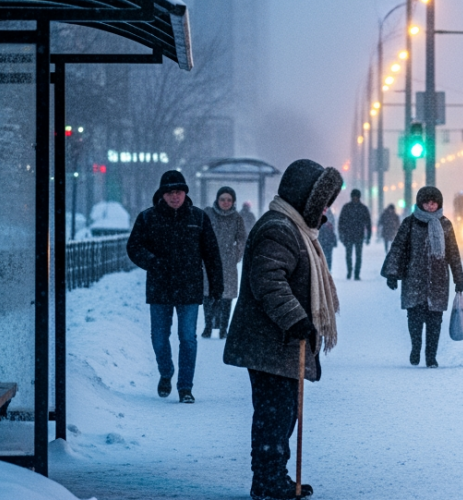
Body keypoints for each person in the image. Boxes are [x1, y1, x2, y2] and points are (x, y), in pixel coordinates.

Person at [224, 159, 341, 500]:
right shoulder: (279, 228)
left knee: (283, 412)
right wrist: (296, 318)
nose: (325, 210)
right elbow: (268, 281)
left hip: (279, 342)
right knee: (274, 414)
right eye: (321, 202)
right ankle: (267, 480)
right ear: (303, 197)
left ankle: (276, 475)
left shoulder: (293, 227)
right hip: (270, 341)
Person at [126, 170, 223, 404]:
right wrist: (152, 262)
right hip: (160, 287)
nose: (175, 197)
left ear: (185, 193)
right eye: (170, 192)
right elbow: (134, 247)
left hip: (189, 287)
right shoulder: (148, 218)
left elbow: (211, 254)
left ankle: (185, 387)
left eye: (178, 192)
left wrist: (216, 286)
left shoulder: (198, 218)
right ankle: (166, 372)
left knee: (187, 338)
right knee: (159, 337)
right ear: (162, 194)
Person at [382, 186, 463, 368]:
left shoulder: (445, 225)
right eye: (427, 202)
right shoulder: (410, 223)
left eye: (434, 202)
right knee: (415, 318)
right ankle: (416, 347)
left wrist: (459, 278)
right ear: (421, 203)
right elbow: (398, 248)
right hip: (414, 280)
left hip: (438, 280)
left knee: (435, 321)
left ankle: (431, 356)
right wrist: (392, 274)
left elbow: (453, 253)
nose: (430, 206)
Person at [202, 186, 248, 339]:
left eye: (229, 200)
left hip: (228, 264)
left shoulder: (237, 218)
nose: (225, 202)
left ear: (233, 202)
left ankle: (223, 328)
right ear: (217, 200)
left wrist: (236, 254)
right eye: (223, 199)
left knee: (226, 297)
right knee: (208, 295)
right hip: (209, 262)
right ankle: (208, 326)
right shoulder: (207, 214)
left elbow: (242, 239)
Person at [337, 189, 371, 281]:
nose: (355, 198)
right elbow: (368, 223)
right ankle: (352, 272)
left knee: (353, 255)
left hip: (352, 235)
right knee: (354, 255)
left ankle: (354, 273)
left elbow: (341, 222)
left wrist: (341, 234)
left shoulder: (347, 207)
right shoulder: (363, 208)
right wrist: (368, 236)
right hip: (356, 235)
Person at [318, 207, 338, 272]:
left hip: (323, 238)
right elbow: (333, 226)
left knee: (324, 254)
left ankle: (325, 268)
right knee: (328, 254)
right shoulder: (329, 213)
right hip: (327, 238)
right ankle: (327, 268)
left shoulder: (320, 212)